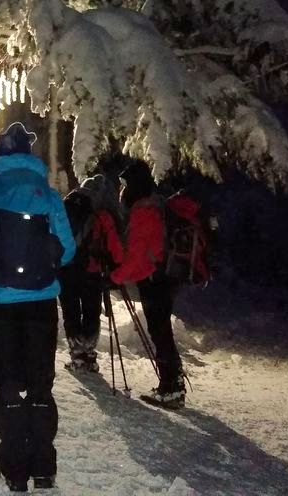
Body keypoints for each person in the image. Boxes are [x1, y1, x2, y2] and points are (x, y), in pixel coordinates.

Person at [0, 122, 75, 492]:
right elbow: (67, 251)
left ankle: (15, 473)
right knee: (41, 384)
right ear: (29, 154)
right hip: (41, 301)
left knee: (8, 383)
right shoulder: (50, 196)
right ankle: (44, 468)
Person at [109, 159, 185, 408]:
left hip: (155, 280)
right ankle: (172, 384)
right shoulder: (154, 204)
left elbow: (139, 255)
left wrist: (114, 277)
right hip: (162, 277)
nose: (121, 190)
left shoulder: (144, 211)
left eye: (124, 184)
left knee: (160, 331)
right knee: (161, 330)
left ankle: (171, 388)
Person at [58, 174, 123, 372]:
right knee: (91, 309)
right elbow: (115, 248)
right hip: (92, 270)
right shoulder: (102, 214)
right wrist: (116, 266)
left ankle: (76, 352)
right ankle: (88, 352)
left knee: (71, 310)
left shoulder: (67, 205)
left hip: (66, 267)